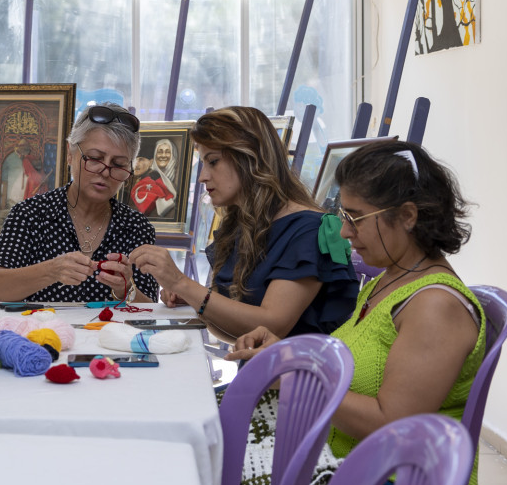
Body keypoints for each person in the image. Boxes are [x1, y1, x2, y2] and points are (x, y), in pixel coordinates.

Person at [219, 139, 485, 485]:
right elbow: (341, 362)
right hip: (355, 465)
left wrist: (295, 380)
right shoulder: (388, 281)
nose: (344, 231)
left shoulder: (435, 306)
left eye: (357, 217)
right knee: (219, 466)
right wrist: (285, 351)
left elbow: (394, 422)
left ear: (407, 215)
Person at [130, 105, 358, 341]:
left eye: (213, 161)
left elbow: (271, 328)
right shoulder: (240, 226)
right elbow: (236, 334)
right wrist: (194, 300)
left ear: (249, 158)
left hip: (296, 376)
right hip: (258, 373)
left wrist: (184, 284)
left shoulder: (308, 229)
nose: (202, 176)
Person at [0, 102, 159, 303]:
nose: (105, 172)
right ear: (70, 154)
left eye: (118, 164)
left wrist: (126, 289)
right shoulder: (31, 214)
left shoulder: (136, 228)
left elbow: (151, 310)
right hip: (41, 334)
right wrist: (50, 271)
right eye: (94, 158)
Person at [130, 137, 178, 219]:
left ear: (151, 162)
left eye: (141, 159)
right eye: (135, 160)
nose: (136, 164)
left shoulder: (153, 179)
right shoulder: (135, 179)